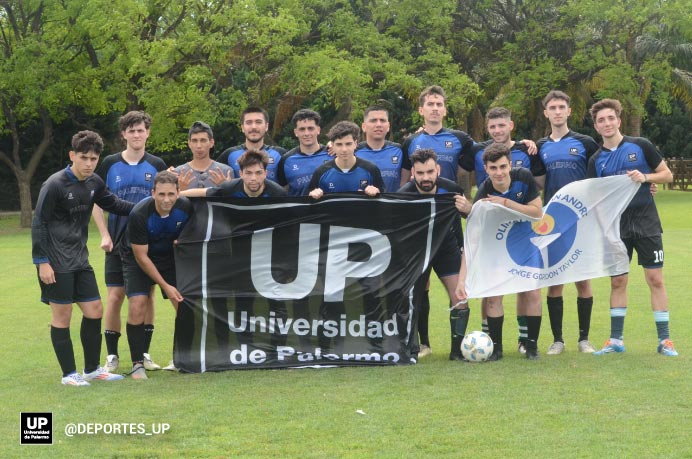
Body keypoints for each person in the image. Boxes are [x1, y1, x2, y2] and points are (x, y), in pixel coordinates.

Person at [32, 131, 133, 385]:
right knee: (62, 317)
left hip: (80, 259)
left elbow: (114, 203)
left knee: (94, 310)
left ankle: (91, 369)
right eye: (84, 157)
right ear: (72, 156)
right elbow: (39, 223)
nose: (89, 163)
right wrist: (41, 261)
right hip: (55, 263)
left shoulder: (94, 183)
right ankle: (69, 374)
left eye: (94, 158)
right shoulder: (54, 184)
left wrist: (148, 205)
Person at [587, 98, 677, 357]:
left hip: (647, 223)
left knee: (655, 279)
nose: (607, 123)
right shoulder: (596, 160)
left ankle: (665, 341)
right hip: (616, 229)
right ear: (596, 125)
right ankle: (615, 340)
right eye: (601, 120)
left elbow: (667, 174)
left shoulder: (641, 146)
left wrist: (646, 177)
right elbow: (596, 197)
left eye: (610, 118)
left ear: (619, 119)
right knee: (618, 282)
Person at [461, 107, 545, 352]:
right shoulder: (484, 189)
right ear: (486, 169)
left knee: (532, 292)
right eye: (493, 168)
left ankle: (531, 345)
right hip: (497, 248)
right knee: (495, 294)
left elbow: (537, 212)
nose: (498, 173)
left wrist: (506, 203)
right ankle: (495, 348)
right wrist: (469, 208)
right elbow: (474, 230)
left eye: (502, 167)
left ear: (510, 165)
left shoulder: (524, 176)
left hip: (525, 244)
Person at [92, 111, 167, 374]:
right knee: (115, 295)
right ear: (123, 134)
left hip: (146, 243)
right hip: (116, 242)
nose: (136, 135)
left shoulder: (157, 164)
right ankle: (112, 355)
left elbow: (164, 202)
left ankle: (143, 353)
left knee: (146, 296)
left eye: (141, 130)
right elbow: (96, 202)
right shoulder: (110, 164)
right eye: (131, 130)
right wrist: (104, 234)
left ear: (148, 133)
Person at [533, 90, 601, 355]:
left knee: (583, 280)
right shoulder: (540, 147)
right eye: (553, 107)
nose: (558, 111)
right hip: (553, 222)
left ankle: (584, 339)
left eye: (562, 106)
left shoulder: (585, 142)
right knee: (555, 280)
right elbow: (538, 182)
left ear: (569, 111)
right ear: (546, 112)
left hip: (582, 220)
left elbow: (602, 173)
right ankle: (557, 340)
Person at [397, 149, 472, 361]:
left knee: (460, 296)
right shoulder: (404, 195)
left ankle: (457, 351)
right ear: (413, 173)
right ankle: (420, 345)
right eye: (420, 173)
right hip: (417, 250)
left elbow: (466, 218)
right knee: (414, 296)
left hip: (446, 247)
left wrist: (467, 209)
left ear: (437, 169)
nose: (426, 177)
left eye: (430, 172)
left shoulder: (452, 190)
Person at [122, 171, 193, 378]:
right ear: (153, 192)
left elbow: (196, 229)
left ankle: (185, 358)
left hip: (170, 258)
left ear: (179, 193)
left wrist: (185, 240)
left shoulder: (186, 207)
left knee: (185, 305)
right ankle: (137, 364)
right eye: (161, 194)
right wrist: (165, 286)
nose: (166, 199)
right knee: (137, 305)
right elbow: (141, 257)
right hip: (138, 259)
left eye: (171, 194)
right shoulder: (139, 213)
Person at [401, 85, 476, 184]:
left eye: (439, 104)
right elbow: (403, 182)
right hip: (420, 199)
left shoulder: (460, 138)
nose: (435, 108)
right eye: (430, 104)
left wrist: (460, 168)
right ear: (421, 110)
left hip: (448, 198)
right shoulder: (410, 141)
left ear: (445, 111)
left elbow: (481, 153)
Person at [308, 121, 384, 198]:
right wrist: (312, 195)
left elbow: (383, 201)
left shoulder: (371, 169)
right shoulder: (321, 172)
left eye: (348, 144)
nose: (344, 149)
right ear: (332, 145)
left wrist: (377, 193)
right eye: (339, 144)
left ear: (355, 144)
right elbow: (309, 204)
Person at [216, 107, 286, 182]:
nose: (253, 127)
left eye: (258, 122)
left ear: (266, 126)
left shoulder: (281, 155)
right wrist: (225, 186)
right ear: (242, 127)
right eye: (249, 122)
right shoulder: (229, 155)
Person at [183, 149, 287, 198]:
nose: (253, 178)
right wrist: (178, 195)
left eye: (258, 173)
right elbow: (203, 192)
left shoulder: (278, 193)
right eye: (248, 173)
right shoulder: (230, 188)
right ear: (241, 174)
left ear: (265, 173)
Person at [277, 109, 330, 196]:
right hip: (299, 209)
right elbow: (279, 188)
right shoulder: (286, 160)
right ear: (296, 132)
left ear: (318, 130)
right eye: (302, 129)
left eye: (310, 128)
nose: (306, 133)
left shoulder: (332, 153)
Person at [355, 106, 407, 192]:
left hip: (392, 204)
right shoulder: (354, 151)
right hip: (363, 204)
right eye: (373, 120)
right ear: (364, 127)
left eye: (382, 120)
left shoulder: (399, 150)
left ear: (388, 126)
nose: (378, 124)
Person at [173, 121, 233, 190]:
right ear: (189, 143)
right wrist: (181, 191)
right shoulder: (178, 173)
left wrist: (225, 188)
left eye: (203, 140)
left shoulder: (225, 172)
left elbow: (232, 199)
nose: (199, 146)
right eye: (194, 141)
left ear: (211, 143)